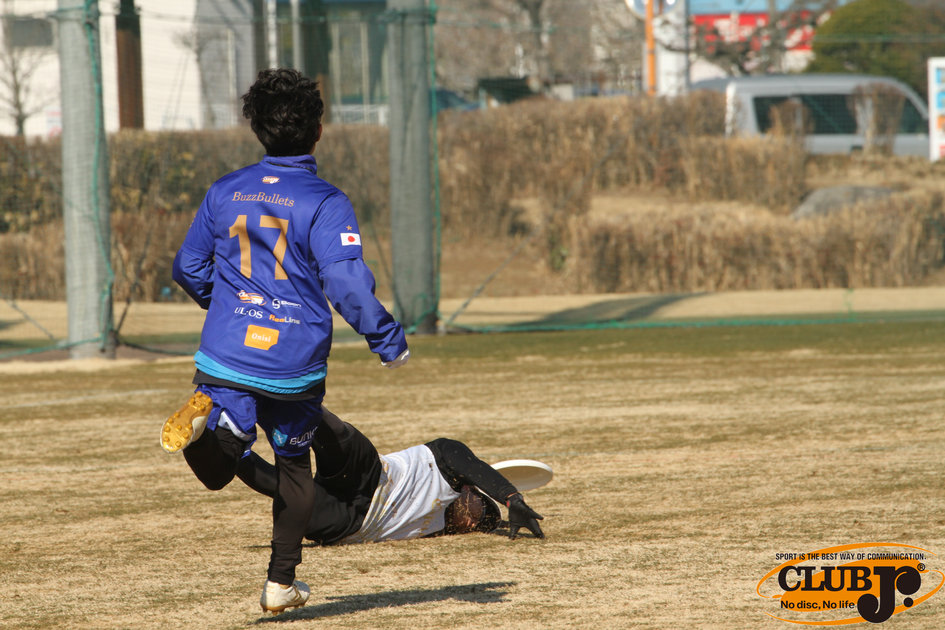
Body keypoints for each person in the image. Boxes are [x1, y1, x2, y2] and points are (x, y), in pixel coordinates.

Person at [160, 68, 409, 615]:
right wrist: (387, 339)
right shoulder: (326, 201)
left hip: (226, 352)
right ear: (318, 131)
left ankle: (206, 433)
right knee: (295, 468)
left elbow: (187, 267)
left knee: (218, 469)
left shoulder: (225, 190)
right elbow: (345, 282)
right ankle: (280, 584)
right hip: (292, 362)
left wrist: (227, 306)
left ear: (258, 129)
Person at [235, 407, 545, 545]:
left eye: (477, 524)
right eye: (480, 511)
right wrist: (510, 498)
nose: (472, 521)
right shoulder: (445, 465)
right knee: (325, 428)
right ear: (469, 489)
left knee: (281, 487)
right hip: (371, 479)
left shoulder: (436, 529)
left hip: (349, 526)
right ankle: (263, 392)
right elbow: (471, 464)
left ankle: (225, 440)